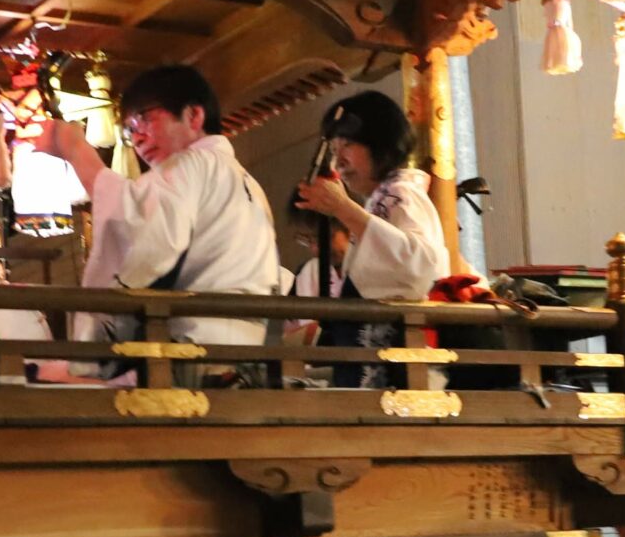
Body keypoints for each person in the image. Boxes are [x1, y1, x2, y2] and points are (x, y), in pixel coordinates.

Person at [38, 63, 286, 354]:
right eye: (130, 130)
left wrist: (75, 149)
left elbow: (138, 227)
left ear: (193, 115)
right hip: (243, 347)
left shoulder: (195, 164)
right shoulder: (245, 181)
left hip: (198, 344)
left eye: (144, 119)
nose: (138, 138)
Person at [287, 89, 448, 387]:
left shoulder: (401, 194)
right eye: (334, 150)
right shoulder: (382, 199)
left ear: (380, 143)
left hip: (396, 365)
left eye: (347, 145)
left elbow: (421, 265)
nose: (339, 162)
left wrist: (343, 208)